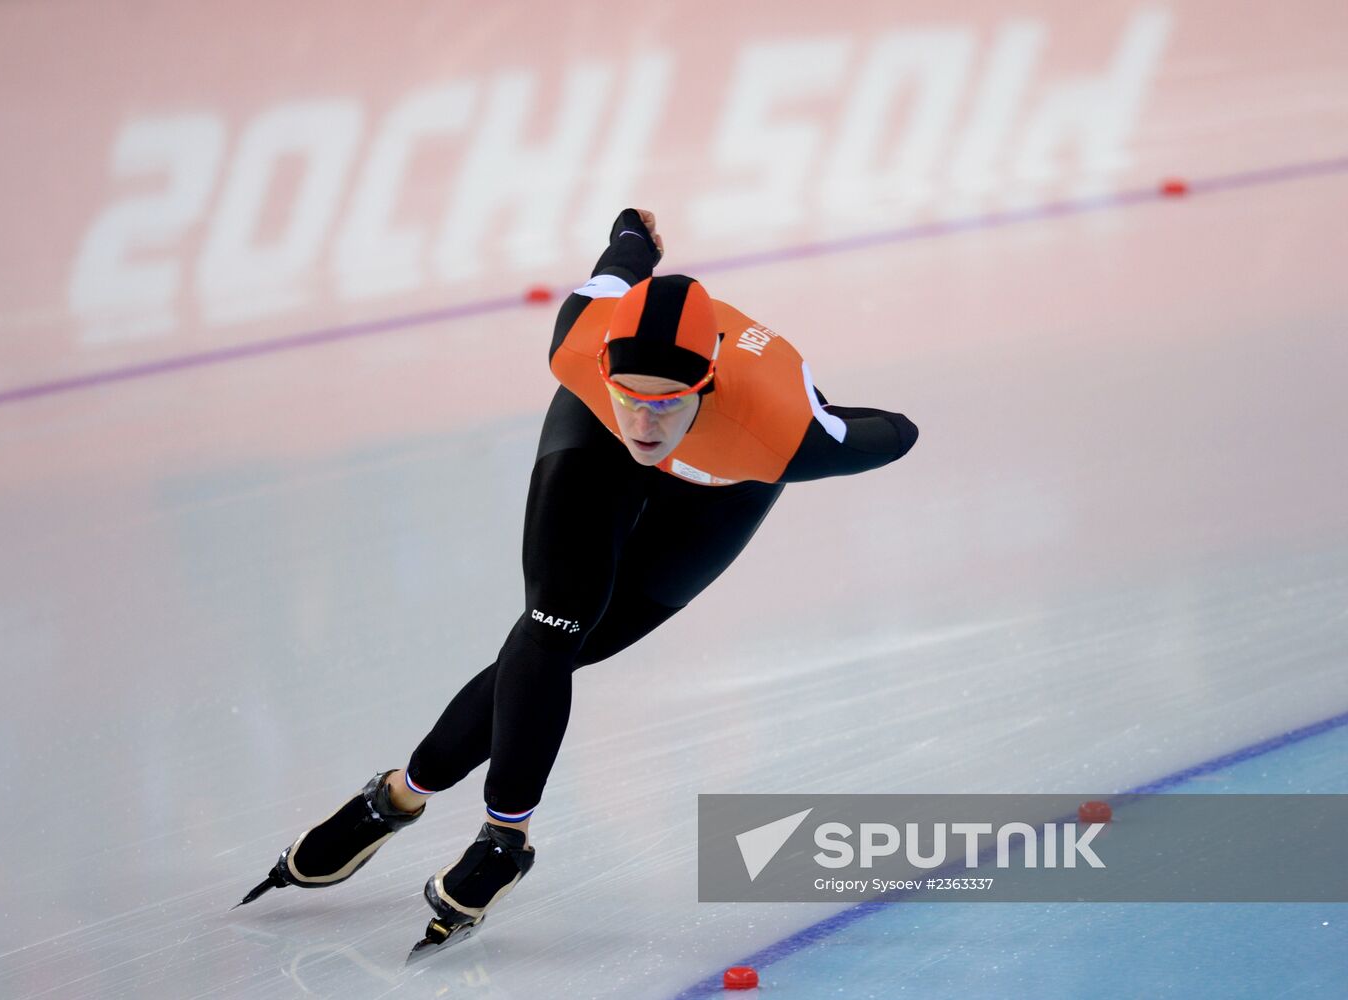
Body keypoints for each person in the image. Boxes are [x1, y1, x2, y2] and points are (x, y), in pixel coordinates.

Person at [239, 208, 919, 954]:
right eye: (631, 393)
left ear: (708, 381)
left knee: (573, 643)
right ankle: (495, 840)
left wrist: (811, 406)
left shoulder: (784, 432)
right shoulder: (579, 345)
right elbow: (622, 261)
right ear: (604, 368)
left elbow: (895, 431)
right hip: (589, 440)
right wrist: (632, 233)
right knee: (552, 625)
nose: (646, 422)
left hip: (726, 475)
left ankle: (398, 796)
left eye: (666, 401)